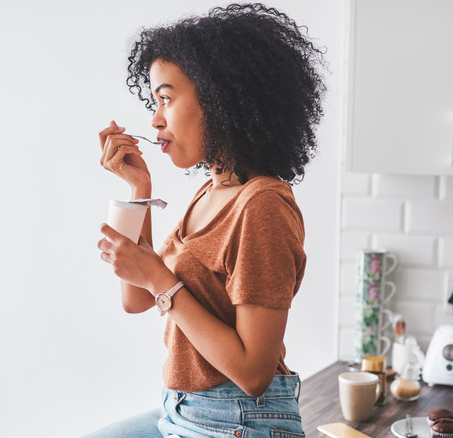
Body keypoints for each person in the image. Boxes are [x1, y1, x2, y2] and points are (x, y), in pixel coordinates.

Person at [91, 3, 326, 437]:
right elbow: (137, 299)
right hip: (181, 409)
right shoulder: (211, 191)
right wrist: (139, 189)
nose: (155, 118)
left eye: (166, 98)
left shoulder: (262, 206)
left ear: (220, 99)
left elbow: (254, 373)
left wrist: (160, 279)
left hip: (240, 419)